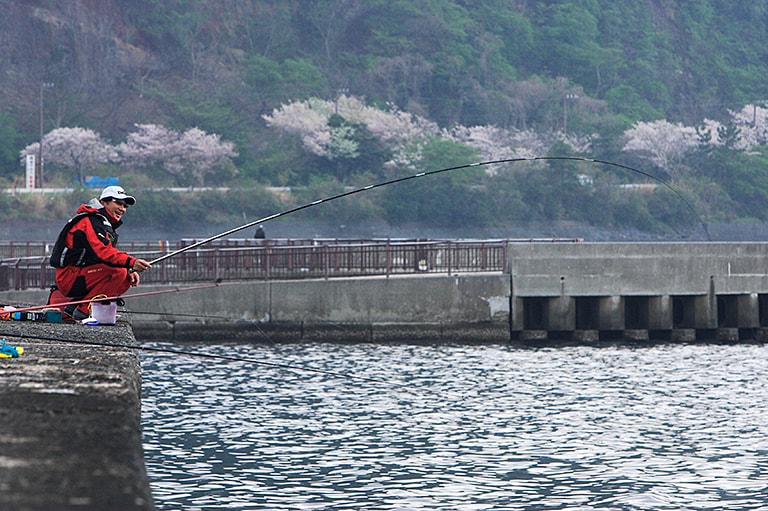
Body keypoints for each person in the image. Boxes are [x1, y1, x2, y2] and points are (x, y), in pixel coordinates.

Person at [47, 185, 151, 320]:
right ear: (103, 202)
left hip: (81, 275)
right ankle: (83, 311)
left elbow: (106, 255)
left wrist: (129, 269)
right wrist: (131, 263)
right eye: (118, 203)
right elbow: (104, 252)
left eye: (125, 206)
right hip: (69, 277)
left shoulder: (102, 224)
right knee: (118, 272)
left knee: (126, 278)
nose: (122, 209)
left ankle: (80, 308)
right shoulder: (89, 221)